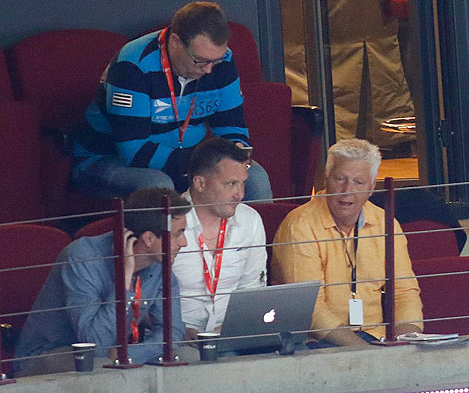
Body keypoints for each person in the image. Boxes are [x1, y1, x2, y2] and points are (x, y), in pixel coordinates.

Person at [70, 1, 274, 201]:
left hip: (186, 162)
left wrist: (236, 150)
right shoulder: (132, 65)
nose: (209, 69)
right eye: (201, 60)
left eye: (216, 60)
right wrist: (206, 166)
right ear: (175, 42)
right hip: (103, 160)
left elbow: (233, 128)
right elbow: (133, 152)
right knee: (160, 187)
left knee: (256, 178)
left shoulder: (223, 61)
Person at [14, 186, 188, 375]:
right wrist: (125, 280)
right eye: (178, 233)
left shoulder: (159, 261)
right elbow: (94, 345)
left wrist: (130, 354)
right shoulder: (83, 257)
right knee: (101, 369)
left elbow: (173, 332)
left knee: (188, 357)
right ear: (148, 238)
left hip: (113, 354)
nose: (184, 242)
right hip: (49, 355)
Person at [271, 139, 423, 346]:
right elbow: (310, 310)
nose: (347, 190)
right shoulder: (299, 226)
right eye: (339, 179)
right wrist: (364, 353)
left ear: (371, 188)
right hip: (317, 341)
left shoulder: (385, 223)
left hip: (375, 338)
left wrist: (405, 343)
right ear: (326, 180)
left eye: (358, 182)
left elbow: (405, 293)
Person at [172, 138, 267, 337]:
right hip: (178, 339)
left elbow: (252, 290)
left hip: (235, 335)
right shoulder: (168, 222)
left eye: (242, 184)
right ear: (199, 183)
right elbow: (144, 297)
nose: (239, 194)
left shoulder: (251, 220)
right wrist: (179, 331)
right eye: (231, 184)